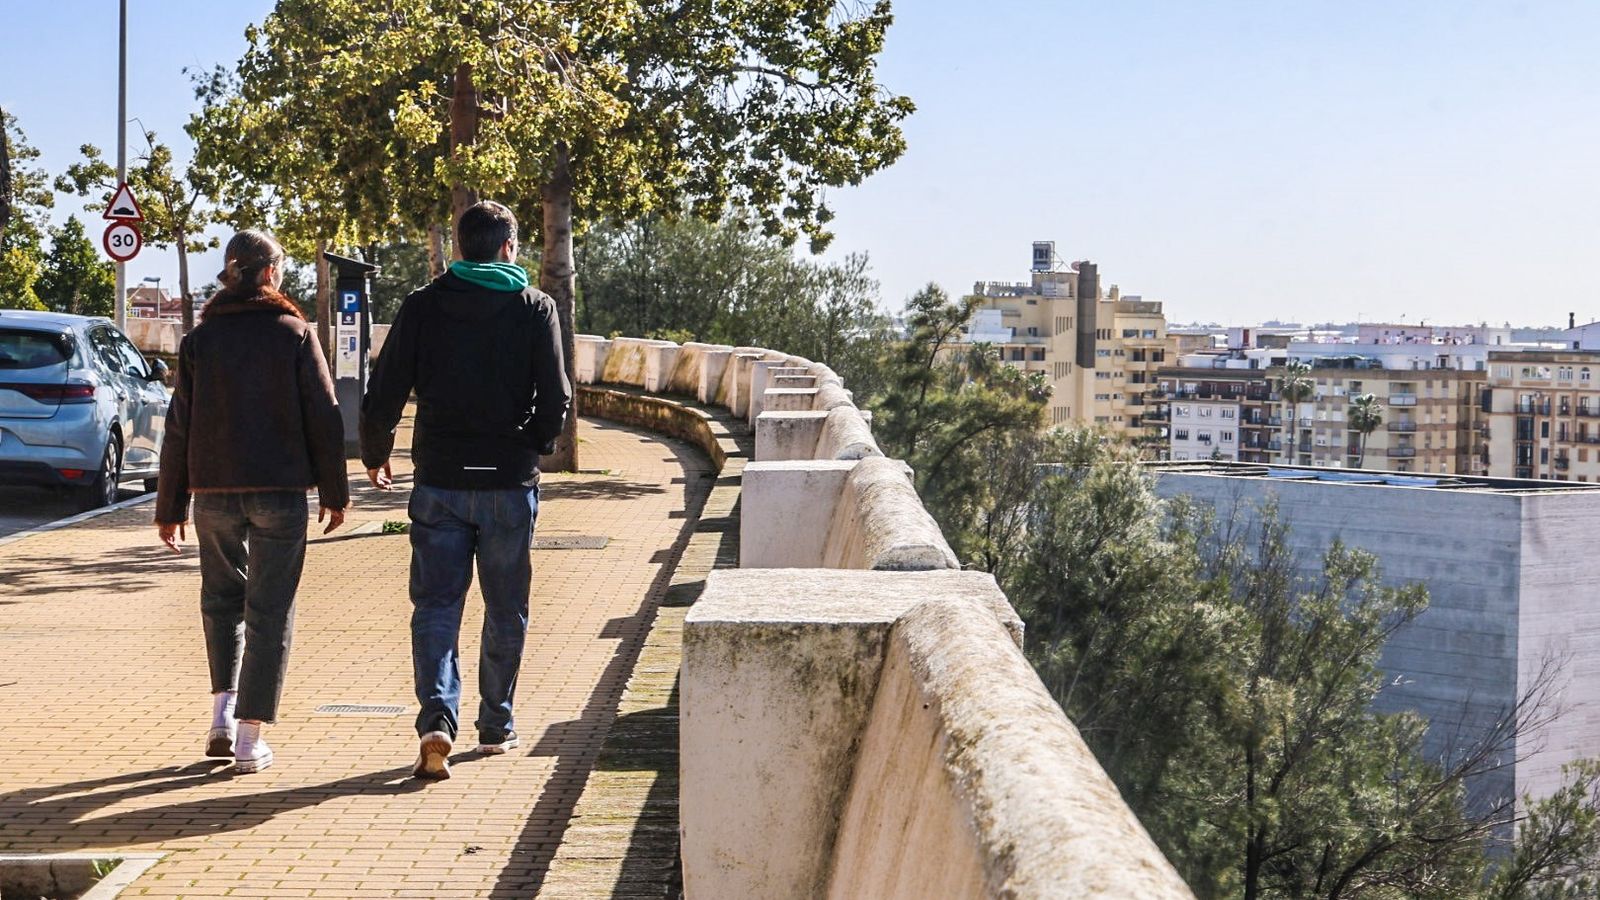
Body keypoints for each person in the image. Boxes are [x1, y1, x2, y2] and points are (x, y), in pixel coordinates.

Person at [360, 200, 570, 780]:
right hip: (508, 481)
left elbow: (384, 390)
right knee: (506, 605)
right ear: (509, 247)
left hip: (440, 479)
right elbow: (556, 396)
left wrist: (376, 454)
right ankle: (496, 725)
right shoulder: (535, 307)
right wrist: (532, 444)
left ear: (459, 248)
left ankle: (436, 721)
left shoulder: (423, 305)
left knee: (435, 604)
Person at [155, 229, 349, 775]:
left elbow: (178, 426)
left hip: (212, 494)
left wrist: (169, 506)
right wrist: (335, 492)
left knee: (220, 602)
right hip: (278, 494)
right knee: (270, 609)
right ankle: (249, 738)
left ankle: (220, 717)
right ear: (268, 273)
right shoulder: (293, 332)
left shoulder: (201, 340)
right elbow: (325, 415)